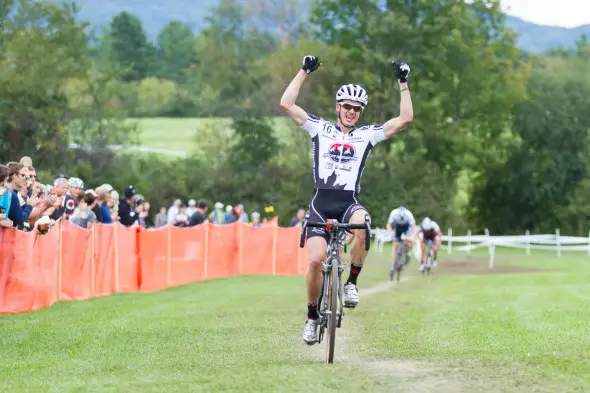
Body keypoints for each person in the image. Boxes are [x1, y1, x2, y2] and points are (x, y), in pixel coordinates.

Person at [279, 54, 413, 345]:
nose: (352, 112)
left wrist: (403, 82)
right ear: (338, 107)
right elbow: (286, 105)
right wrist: (303, 71)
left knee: (362, 225)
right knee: (315, 261)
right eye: (347, 107)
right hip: (321, 202)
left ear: (361, 112)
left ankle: (351, 283)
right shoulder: (320, 128)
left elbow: (405, 119)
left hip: (348, 201)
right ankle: (312, 318)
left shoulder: (366, 135)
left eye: (357, 108)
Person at [386, 206, 417, 274]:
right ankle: (393, 265)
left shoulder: (409, 214)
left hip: (406, 228)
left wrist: (413, 237)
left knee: (409, 242)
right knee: (395, 245)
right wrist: (390, 234)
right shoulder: (394, 213)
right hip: (398, 228)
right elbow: (389, 225)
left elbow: (414, 228)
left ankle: (407, 252)